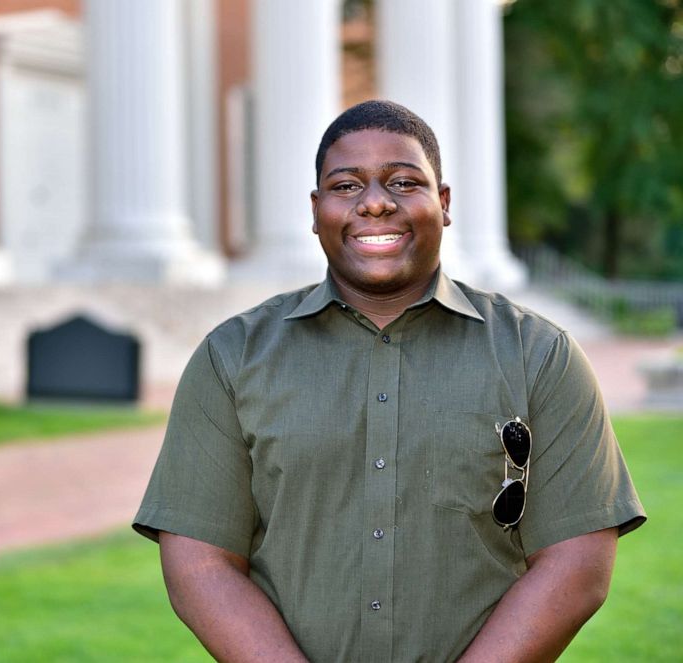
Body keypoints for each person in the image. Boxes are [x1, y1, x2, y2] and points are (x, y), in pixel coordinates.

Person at [132, 100, 645, 662]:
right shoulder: (232, 357)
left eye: (403, 182)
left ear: (443, 203)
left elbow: (577, 562)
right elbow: (200, 561)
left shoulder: (540, 356)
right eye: (346, 185)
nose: (375, 203)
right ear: (316, 208)